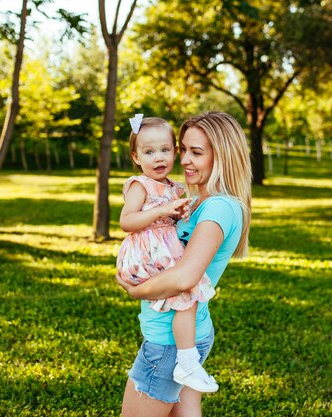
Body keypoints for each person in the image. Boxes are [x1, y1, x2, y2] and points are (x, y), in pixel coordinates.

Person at [117, 111, 253, 417]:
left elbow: (185, 277)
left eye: (197, 152)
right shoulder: (199, 202)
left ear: (222, 155)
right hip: (184, 334)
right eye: (184, 149)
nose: (185, 160)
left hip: (168, 343)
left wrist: (137, 291)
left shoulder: (218, 207)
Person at [116, 115, 219, 394]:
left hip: (163, 249)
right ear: (136, 157)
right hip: (145, 253)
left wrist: (179, 211)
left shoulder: (174, 186)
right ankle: (187, 361)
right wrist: (161, 211)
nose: (158, 158)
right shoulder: (141, 185)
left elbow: (173, 219)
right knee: (186, 292)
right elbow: (126, 221)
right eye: (149, 152)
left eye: (165, 150)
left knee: (187, 293)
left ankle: (187, 360)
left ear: (174, 151)